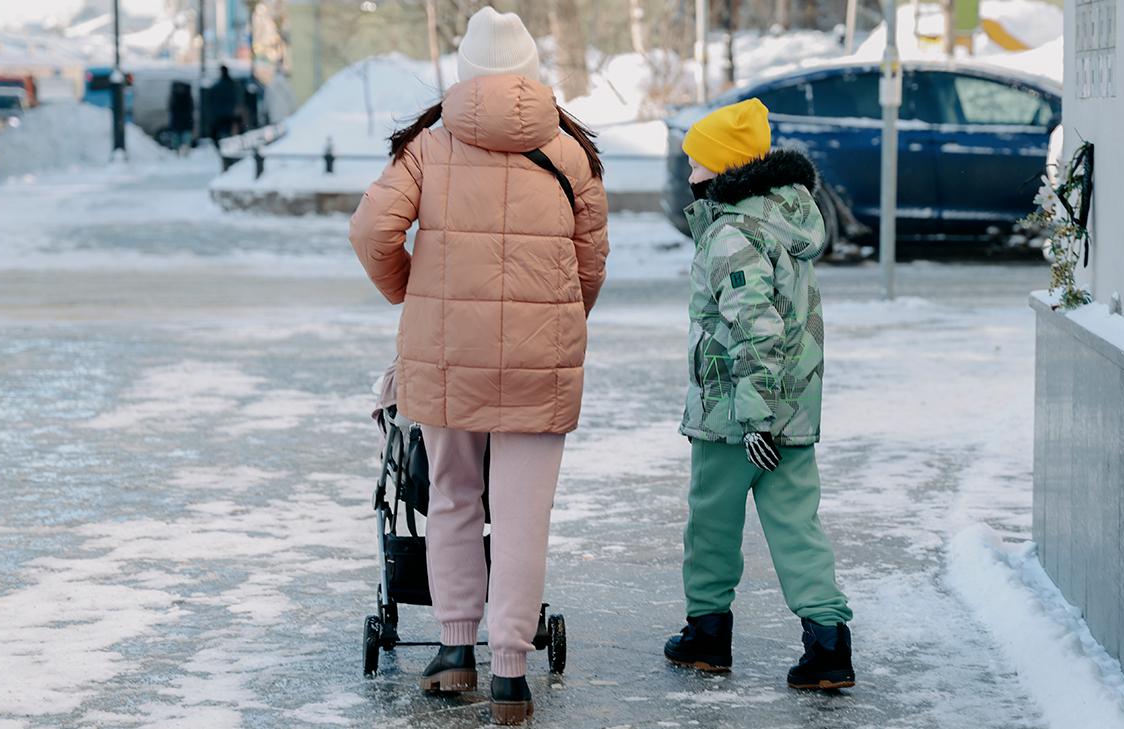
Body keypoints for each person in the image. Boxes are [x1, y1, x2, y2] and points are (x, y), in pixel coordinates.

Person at [348, 7, 608, 725]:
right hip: (539, 357)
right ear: (529, 74)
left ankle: (456, 649)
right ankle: (511, 676)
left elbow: (371, 231)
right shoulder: (570, 152)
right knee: (523, 516)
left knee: (454, 498)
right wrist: (554, 320)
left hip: (446, 354)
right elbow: (589, 264)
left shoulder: (428, 146)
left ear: (465, 73)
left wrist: (412, 292)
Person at [663, 98, 856, 691]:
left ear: (724, 168)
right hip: (791, 410)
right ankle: (829, 643)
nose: (689, 171)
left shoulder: (732, 234)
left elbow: (756, 326)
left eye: (697, 160)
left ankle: (707, 635)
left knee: (712, 526)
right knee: (797, 526)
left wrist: (753, 420)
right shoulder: (783, 222)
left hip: (735, 416)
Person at [209, 65, 241, 142]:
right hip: (230, 113)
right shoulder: (232, 84)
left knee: (222, 134)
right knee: (228, 134)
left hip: (221, 114)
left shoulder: (218, 86)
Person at [167, 81, 194, 156]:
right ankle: (182, 153)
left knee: (181, 140)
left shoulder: (175, 97)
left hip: (180, 122)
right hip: (184, 122)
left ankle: (181, 153)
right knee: (182, 140)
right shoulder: (186, 97)